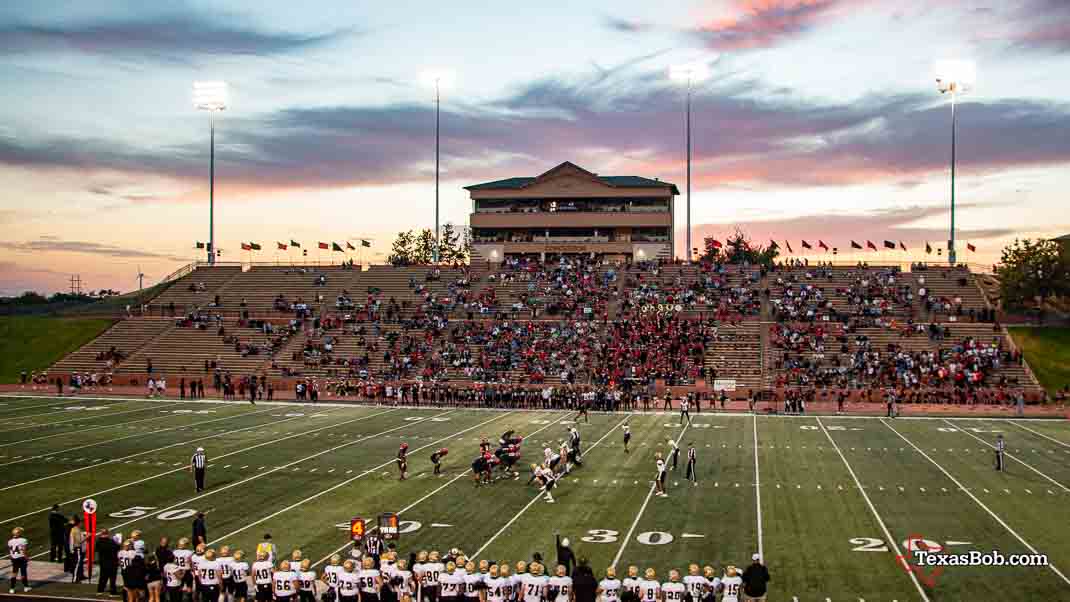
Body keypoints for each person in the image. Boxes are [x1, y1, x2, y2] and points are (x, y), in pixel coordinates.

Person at [96, 528, 120, 595]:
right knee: (112, 578)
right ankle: (112, 592)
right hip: (112, 562)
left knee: (102, 577)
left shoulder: (98, 541)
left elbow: (97, 549)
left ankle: (100, 591)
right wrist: (117, 542)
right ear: (107, 533)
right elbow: (117, 548)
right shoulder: (111, 541)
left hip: (103, 562)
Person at [8, 527, 30, 593]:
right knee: (23, 573)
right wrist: (27, 557)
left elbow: (10, 551)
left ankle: (12, 588)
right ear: (19, 533)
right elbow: (24, 550)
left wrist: (12, 558)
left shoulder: (10, 541)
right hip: (21, 558)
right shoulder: (23, 540)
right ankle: (26, 587)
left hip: (14, 558)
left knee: (14, 573)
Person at [69, 517, 87, 583]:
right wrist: (87, 537)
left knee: (77, 564)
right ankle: (75, 579)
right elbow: (79, 541)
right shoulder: (76, 530)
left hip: (75, 548)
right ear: (78, 523)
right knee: (77, 564)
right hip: (77, 548)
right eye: (81, 523)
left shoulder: (73, 529)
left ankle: (77, 577)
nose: (82, 524)